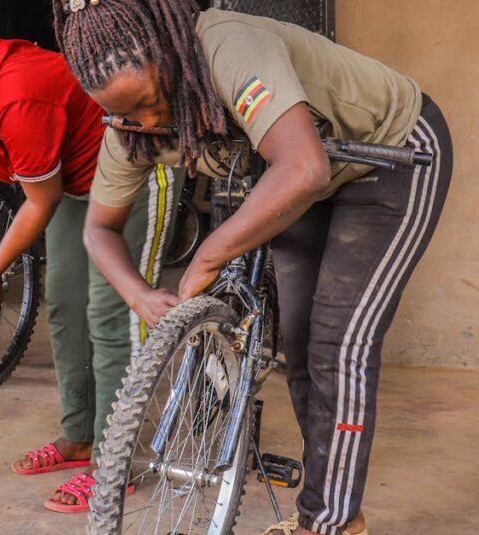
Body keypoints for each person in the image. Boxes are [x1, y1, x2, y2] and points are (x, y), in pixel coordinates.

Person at [55, 1, 452, 533]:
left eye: (153, 102)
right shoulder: (131, 125)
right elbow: (97, 229)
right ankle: (329, 509)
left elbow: (304, 167)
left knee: (340, 342)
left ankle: (328, 524)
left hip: (389, 153)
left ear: (167, 52)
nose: (150, 122)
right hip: (302, 175)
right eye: (130, 115)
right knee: (302, 342)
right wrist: (139, 295)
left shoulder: (225, 46)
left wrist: (209, 254)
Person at [0, 34, 182, 513]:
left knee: (111, 317)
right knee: (67, 308)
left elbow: (39, 200)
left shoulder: (17, 100)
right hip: (75, 183)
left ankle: (115, 463)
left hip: (135, 172)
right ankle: (79, 436)